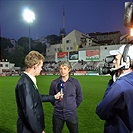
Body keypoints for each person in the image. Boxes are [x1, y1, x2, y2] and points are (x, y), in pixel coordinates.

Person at [15, 50, 62, 133]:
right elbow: (29, 112)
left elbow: (36, 97)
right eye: (41, 66)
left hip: (31, 127)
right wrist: (39, 131)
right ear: (35, 66)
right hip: (28, 129)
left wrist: (54, 97)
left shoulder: (28, 80)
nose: (41, 69)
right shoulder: (25, 84)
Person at [96, 44, 133, 133]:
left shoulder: (119, 85)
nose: (113, 61)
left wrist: (112, 81)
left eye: (116, 59)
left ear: (126, 61)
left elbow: (101, 111)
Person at [49, 61, 83, 133]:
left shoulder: (75, 82)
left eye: (65, 68)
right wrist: (57, 105)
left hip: (71, 114)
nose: (63, 71)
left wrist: (73, 106)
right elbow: (51, 97)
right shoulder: (54, 83)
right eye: (61, 69)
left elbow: (79, 97)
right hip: (58, 114)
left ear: (69, 70)